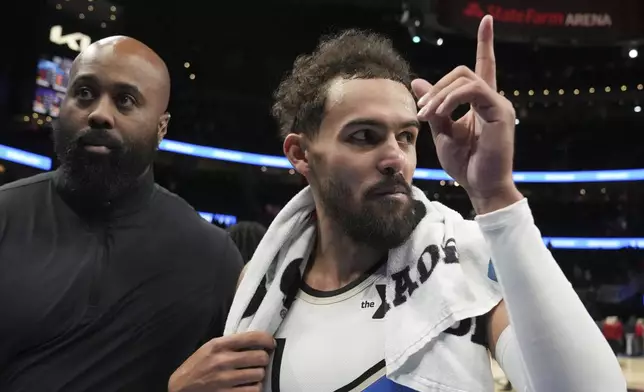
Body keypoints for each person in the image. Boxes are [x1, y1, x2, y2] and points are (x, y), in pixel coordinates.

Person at [168, 16, 625, 392]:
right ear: (301, 154)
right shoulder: (259, 284)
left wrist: (495, 196)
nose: (395, 158)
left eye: (406, 136)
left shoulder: (463, 259)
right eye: (364, 136)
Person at [0, 36, 243, 391]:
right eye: (84, 93)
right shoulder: (5, 216)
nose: (99, 113)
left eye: (125, 100)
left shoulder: (212, 259)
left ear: (162, 127)